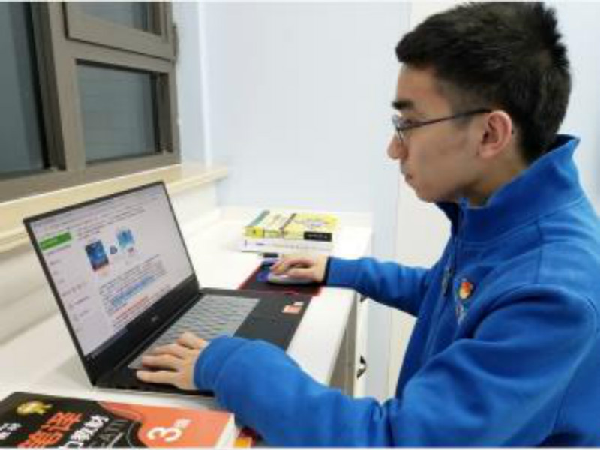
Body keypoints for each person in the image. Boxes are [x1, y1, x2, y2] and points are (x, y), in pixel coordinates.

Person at [137, 2, 600, 445]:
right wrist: (340, 270)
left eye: (409, 124)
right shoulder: (503, 216)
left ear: (490, 134)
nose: (394, 149)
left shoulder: (552, 295)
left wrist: (229, 361)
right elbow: (445, 295)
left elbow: (389, 440)